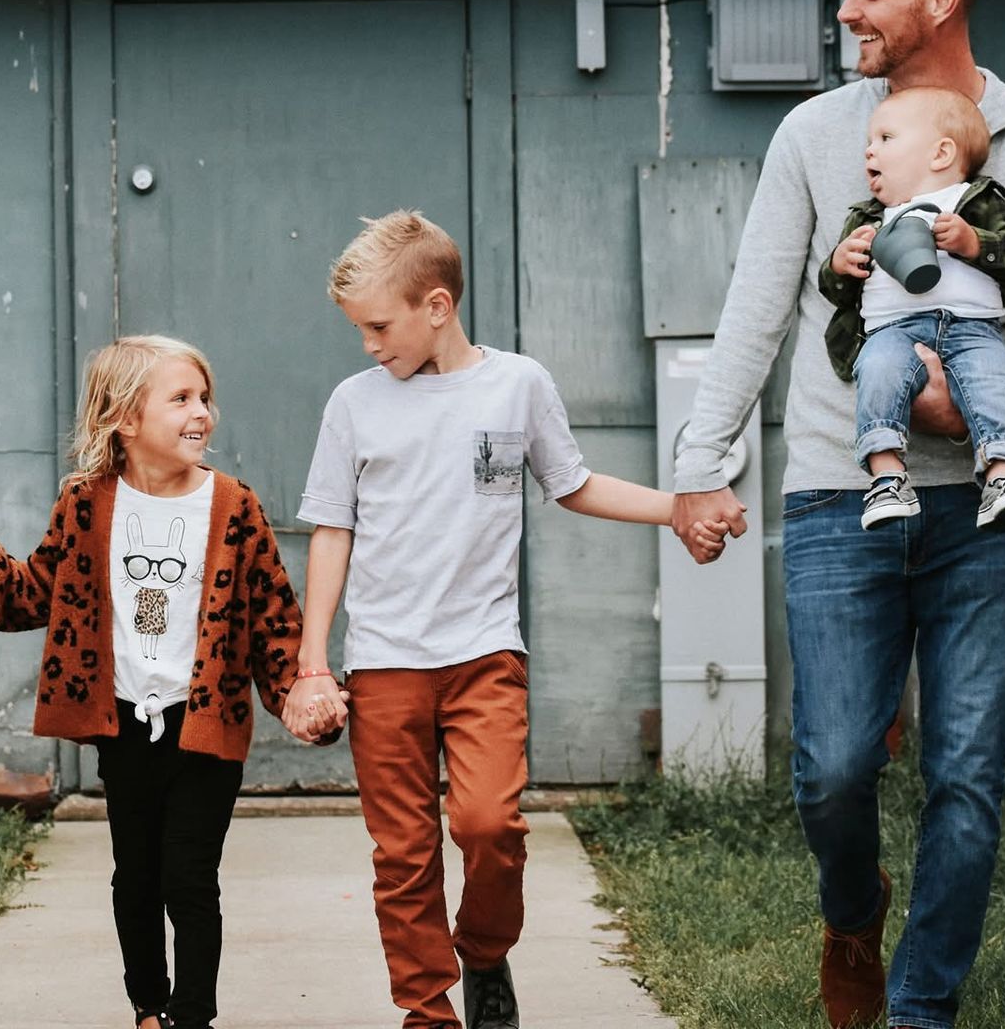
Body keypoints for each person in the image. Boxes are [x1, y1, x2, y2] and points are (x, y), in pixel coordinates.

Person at [671, 0, 1005, 1029]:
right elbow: (759, 306)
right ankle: (853, 911)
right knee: (834, 766)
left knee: (966, 773)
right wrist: (701, 464)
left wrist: (972, 400)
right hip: (837, 492)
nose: (843, 9)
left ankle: (920, 1005)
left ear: (941, 2)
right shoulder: (816, 134)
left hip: (991, 511)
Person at [295, 210, 726, 1029]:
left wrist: (678, 507)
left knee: (488, 824)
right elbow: (332, 529)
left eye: (379, 326)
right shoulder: (354, 404)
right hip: (384, 663)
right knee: (404, 853)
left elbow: (575, 485)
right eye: (359, 331)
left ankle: (485, 952)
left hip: (484, 654)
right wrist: (314, 661)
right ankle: (428, 1011)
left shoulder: (517, 385)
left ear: (437, 306)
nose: (369, 345)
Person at [0, 335, 338, 1029]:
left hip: (204, 724)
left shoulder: (233, 506)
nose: (201, 412)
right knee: (137, 878)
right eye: (180, 399)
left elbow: (273, 622)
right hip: (123, 724)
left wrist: (302, 694)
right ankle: (150, 1007)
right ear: (124, 419)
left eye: (204, 397)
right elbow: (32, 594)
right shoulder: (87, 504)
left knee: (189, 877)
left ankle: (192, 1016)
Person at [821, 85, 1005, 530]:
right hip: (893, 330)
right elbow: (837, 292)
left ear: (940, 154)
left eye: (886, 138)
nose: (869, 150)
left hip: (973, 329)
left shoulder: (977, 202)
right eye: (870, 141)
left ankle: (1004, 475)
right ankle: (886, 477)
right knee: (877, 370)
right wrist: (841, 264)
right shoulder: (868, 218)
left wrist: (972, 241)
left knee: (994, 376)